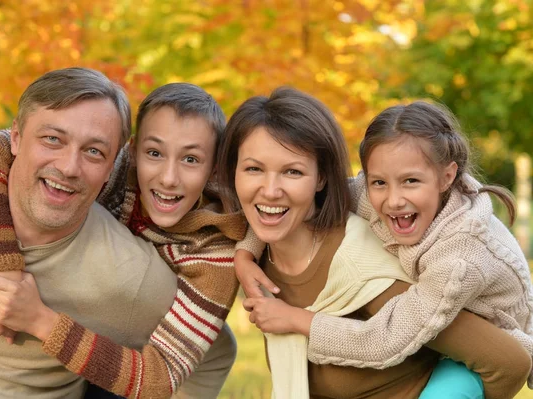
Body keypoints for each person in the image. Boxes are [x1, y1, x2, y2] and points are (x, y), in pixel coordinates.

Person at [0, 73, 256, 398]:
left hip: (130, 349)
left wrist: (39, 320)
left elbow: (158, 379)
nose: (168, 177)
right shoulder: (109, 167)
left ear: (214, 170)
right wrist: (5, 274)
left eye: (191, 159)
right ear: (133, 151)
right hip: (85, 318)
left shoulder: (215, 252)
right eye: (154, 153)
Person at [218, 87, 531, 399]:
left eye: (293, 171)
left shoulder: (452, 258)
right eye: (254, 169)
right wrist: (246, 252)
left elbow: (387, 339)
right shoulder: (367, 199)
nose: (393, 200)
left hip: (502, 324)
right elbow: (285, 206)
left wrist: (297, 319)